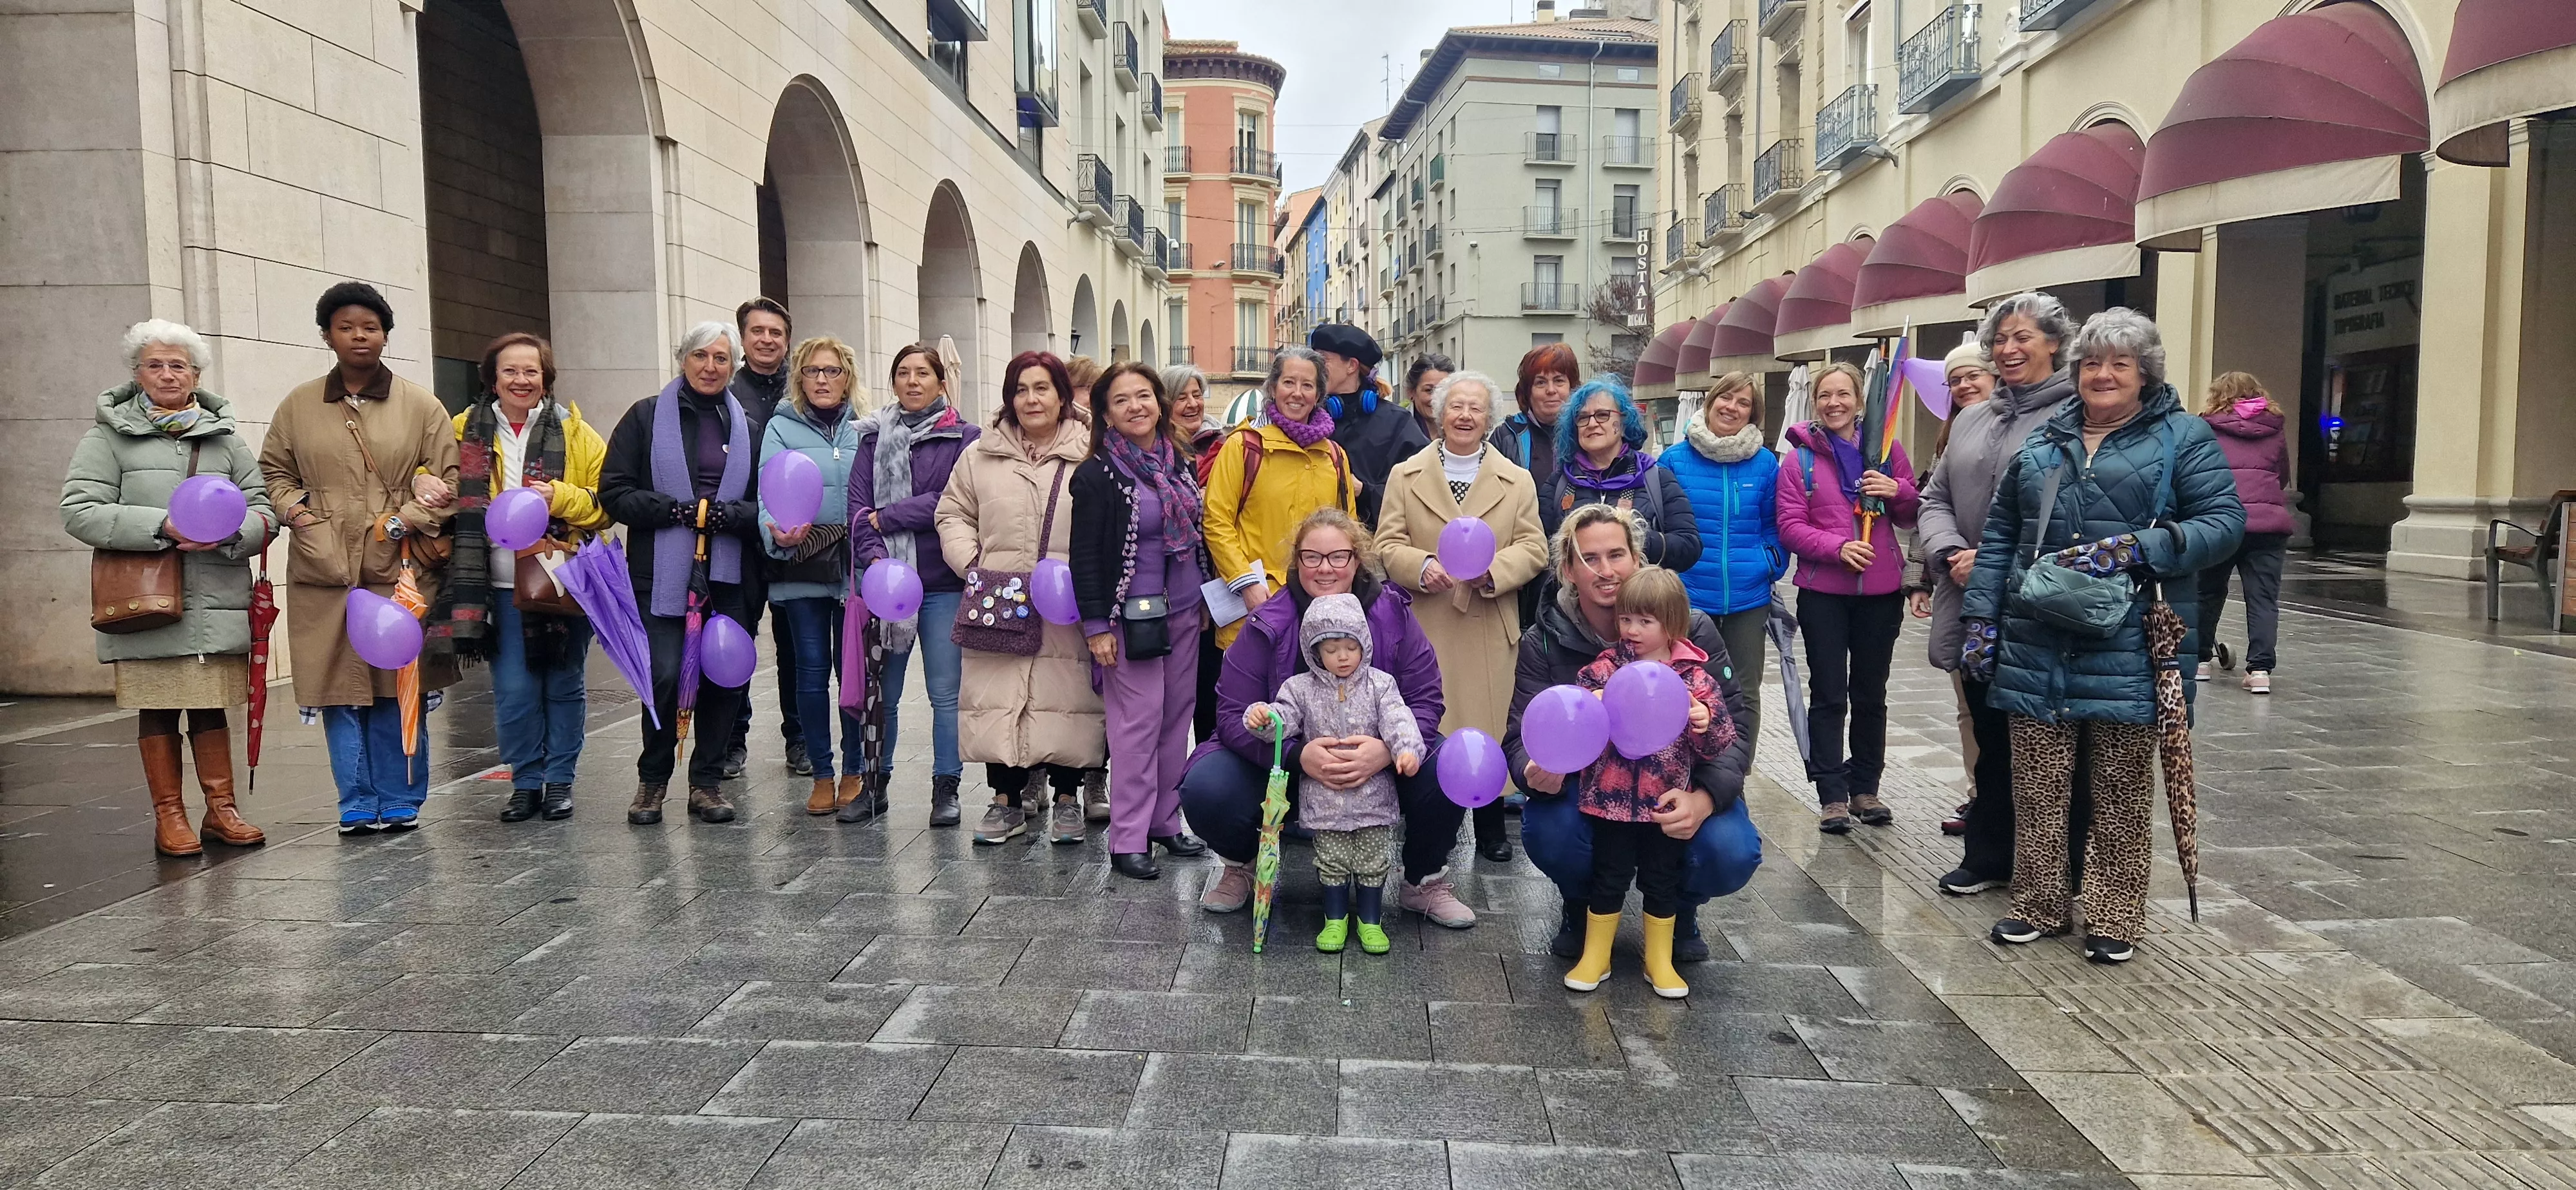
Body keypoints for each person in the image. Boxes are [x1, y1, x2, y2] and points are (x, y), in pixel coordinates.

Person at [1963, 308, 2243, 965]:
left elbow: (2225, 522)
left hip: (2131, 642)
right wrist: (1981, 620)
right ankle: (2038, 903)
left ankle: (2115, 913)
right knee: (2037, 787)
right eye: (2091, 363)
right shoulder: (2046, 441)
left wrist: (2143, 547)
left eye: (2120, 363)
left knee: (2119, 790)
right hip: (2036, 638)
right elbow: (2001, 537)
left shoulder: (2183, 437)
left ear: (2145, 373)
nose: (2103, 375)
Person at [1179, 509, 1476, 928]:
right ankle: (1240, 864)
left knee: (1450, 765)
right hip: (1284, 762)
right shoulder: (1267, 620)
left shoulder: (1394, 615)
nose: (1325, 569)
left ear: (1357, 560)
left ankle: (1424, 880)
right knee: (1208, 785)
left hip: (1380, 761)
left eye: (1338, 556)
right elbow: (1230, 713)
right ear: (1296, 561)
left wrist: (1390, 750)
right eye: (1312, 557)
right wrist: (1296, 754)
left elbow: (1426, 697)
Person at [1505, 504, 1763, 963]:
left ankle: (1680, 909)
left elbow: (1735, 729)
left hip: (1676, 782)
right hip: (1593, 788)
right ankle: (1581, 905)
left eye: (1616, 555)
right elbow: (1520, 735)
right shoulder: (1543, 640)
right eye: (1590, 559)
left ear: (1637, 558)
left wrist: (1705, 799)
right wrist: (1533, 770)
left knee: (1731, 850)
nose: (1606, 571)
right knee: (1554, 833)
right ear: (1568, 570)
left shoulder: (1693, 630)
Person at [62, 319, 276, 855]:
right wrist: (162, 526)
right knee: (157, 707)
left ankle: (221, 810)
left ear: (196, 375)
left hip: (216, 597)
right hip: (146, 598)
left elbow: (263, 511)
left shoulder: (226, 439)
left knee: (210, 706)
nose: (167, 374)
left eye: (178, 365)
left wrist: (231, 533)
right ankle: (170, 816)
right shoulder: (107, 437)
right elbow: (80, 510)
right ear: (137, 374)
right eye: (154, 365)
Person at [260, 282, 459, 835]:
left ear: (386, 336)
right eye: (346, 327)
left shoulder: (421, 405)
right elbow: (274, 471)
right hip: (323, 568)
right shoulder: (299, 405)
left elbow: (452, 478)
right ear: (327, 336)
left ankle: (400, 796)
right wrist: (300, 516)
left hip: (398, 567)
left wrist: (405, 520)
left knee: (396, 683)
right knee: (338, 687)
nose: (359, 336)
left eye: (370, 327)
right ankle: (355, 799)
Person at [1917, 293, 2083, 896]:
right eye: (2001, 340)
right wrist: (1948, 552)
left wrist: (1990, 561)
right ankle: (1988, 855)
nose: (2009, 349)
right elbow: (1935, 497)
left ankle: (2058, 869)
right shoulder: (1971, 418)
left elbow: (2077, 512)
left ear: (2055, 343)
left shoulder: (2076, 415)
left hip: (2038, 604)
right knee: (1988, 735)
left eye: (2023, 337)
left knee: (2049, 743)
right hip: (1971, 604)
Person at [1374, 370, 1548, 864]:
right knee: (1429, 723)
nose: (1465, 416)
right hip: (1424, 622)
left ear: (1489, 418)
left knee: (1486, 724)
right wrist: (1421, 566)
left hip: (1487, 620)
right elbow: (1386, 544)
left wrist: (1494, 572)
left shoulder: (1517, 480)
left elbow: (1535, 547)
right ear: (1438, 412)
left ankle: (1490, 826)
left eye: (1476, 408)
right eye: (1456, 406)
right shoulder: (1405, 475)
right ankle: (1427, 825)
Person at [598, 321, 766, 826]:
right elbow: (615, 492)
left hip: (729, 574)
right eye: (700, 356)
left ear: (733, 366)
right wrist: (675, 511)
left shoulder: (749, 428)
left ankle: (706, 783)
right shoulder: (645, 417)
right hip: (659, 573)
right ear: (683, 358)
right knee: (665, 675)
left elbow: (765, 504)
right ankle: (652, 780)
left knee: (723, 677)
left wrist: (725, 516)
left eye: (721, 358)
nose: (710, 367)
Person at [937, 352, 1107, 844]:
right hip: (998, 595)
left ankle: (1068, 798)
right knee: (998, 696)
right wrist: (973, 563)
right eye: (1021, 389)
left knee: (1068, 697)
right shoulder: (981, 454)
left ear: (1062, 395)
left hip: (1068, 600)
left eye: (1042, 388)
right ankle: (1005, 800)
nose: (1031, 399)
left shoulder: (1091, 450)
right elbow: (953, 512)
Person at [439, 333, 609, 823]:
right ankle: (526, 781)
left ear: (545, 378)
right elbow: (433, 478)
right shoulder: (460, 431)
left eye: (531, 371)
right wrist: (422, 481)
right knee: (514, 690)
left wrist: (560, 497)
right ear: (492, 378)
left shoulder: (578, 434)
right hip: (493, 585)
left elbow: (605, 506)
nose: (521, 380)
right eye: (510, 371)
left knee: (563, 685)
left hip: (561, 582)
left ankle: (560, 781)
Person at [1562, 567, 1734, 999]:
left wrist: (1705, 722)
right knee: (1609, 875)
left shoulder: (1695, 677)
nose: (1632, 630)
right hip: (1610, 800)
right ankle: (1596, 954)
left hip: (1665, 803)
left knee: (1662, 878)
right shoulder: (1607, 668)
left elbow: (1720, 743)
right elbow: (1575, 710)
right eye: (1626, 619)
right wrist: (1592, 703)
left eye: (1645, 621)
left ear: (1672, 624)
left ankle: (1659, 958)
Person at [1071, 361, 1213, 880]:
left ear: (1159, 402)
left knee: (1176, 720)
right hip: (1127, 620)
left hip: (1184, 611)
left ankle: (1164, 822)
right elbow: (1085, 558)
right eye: (1122, 400)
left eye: (1144, 396)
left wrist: (1203, 599)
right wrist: (1096, 628)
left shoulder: (1180, 462)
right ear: (1106, 415)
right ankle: (1128, 838)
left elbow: (1197, 538)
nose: (1136, 407)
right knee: (1136, 725)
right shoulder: (1096, 475)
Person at [1777, 361, 1920, 834]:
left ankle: (1866, 788)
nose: (1833, 403)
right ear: (1814, 402)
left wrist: (1897, 489)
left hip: (1880, 593)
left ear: (1859, 401)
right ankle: (1832, 795)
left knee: (1871, 694)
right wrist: (1837, 548)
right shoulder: (1798, 460)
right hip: (1824, 594)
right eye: (1825, 395)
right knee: (1829, 694)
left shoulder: (1886, 450)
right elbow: (1790, 526)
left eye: (1843, 394)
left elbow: (1909, 514)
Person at [1243, 592, 1424, 954]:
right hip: (1325, 799)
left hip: (1372, 798)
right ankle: (1335, 919)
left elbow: (1399, 719)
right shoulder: (1300, 688)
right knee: (1332, 861)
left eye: (1351, 647)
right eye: (1331, 649)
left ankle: (1370, 921)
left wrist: (1406, 749)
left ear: (1364, 645)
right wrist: (1264, 718)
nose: (1343, 657)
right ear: (1315, 651)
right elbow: (1283, 719)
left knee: (1373, 861)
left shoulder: (1380, 685)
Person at [850, 343, 976, 827]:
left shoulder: (965, 437)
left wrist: (889, 517)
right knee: (883, 693)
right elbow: (858, 511)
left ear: (941, 383)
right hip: (888, 587)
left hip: (944, 583)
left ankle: (946, 788)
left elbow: (951, 503)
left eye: (923, 373)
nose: (912, 381)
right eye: (903, 373)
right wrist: (878, 562)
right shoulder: (872, 438)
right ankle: (874, 784)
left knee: (946, 693)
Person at [761, 335, 871, 818]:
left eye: (832, 371)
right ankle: (822, 774)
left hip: (854, 570)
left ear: (848, 377)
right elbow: (767, 489)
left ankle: (854, 770)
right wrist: (776, 531)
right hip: (802, 562)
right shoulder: (780, 426)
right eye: (812, 371)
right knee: (809, 670)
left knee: (853, 672)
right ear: (799, 378)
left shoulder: (865, 428)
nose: (822, 380)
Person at [1200, 346, 1360, 648]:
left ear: (1319, 394)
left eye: (1307, 385)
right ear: (1273, 388)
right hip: (1256, 603)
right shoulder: (1244, 446)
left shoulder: (1335, 456)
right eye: (1289, 382)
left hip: (1321, 606)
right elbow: (1216, 520)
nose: (1297, 393)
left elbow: (1347, 530)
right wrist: (1245, 582)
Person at [1660, 370, 1786, 744]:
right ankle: (1690, 768)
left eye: (1743, 402)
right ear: (1710, 401)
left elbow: (1774, 523)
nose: (1732, 407)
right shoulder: (1674, 460)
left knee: (1744, 692)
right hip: (1689, 596)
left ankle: (1738, 771)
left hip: (1748, 598)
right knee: (1686, 687)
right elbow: (1661, 525)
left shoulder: (1764, 463)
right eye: (1726, 397)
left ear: (1752, 413)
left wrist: (1770, 562)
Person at [1905, 341, 1999, 836]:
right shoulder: (1950, 437)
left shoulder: (2015, 430)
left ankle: (2005, 801)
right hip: (1956, 580)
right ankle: (1979, 793)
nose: (1964, 386)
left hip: (2007, 582)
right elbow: (1931, 505)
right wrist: (1919, 580)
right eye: (1955, 380)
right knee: (1967, 703)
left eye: (1973, 376)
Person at [729, 298, 795, 780]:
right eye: (758, 331)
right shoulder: (727, 394)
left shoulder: (805, 389)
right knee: (736, 642)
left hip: (797, 539)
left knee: (796, 647)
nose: (767, 340)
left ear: (787, 341)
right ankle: (732, 740)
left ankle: (799, 739)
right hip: (741, 538)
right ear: (743, 338)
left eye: (776, 332)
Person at [2197, 372, 2292, 694]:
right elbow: (2282, 475)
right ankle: (2260, 670)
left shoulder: (2206, 427)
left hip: (2221, 521)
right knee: (2263, 597)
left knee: (2207, 592)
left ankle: (2200, 660)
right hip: (2268, 525)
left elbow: (2198, 474)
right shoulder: (2274, 427)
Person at [1553, 378, 1701, 571]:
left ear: (1623, 424)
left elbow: (1690, 546)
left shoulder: (1656, 478)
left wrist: (1631, 538)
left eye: (1602, 415)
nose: (1592, 423)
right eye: (1582, 418)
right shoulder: (1559, 484)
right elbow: (1546, 552)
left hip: (1642, 590)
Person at [1162, 360, 1225, 745]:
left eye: (1197, 395)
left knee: (1209, 687)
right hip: (1168, 586)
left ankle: (1204, 761)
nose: (1192, 404)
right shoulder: (1155, 451)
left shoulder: (1223, 447)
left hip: (1216, 585)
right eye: (1180, 397)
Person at [1311, 323, 1426, 530]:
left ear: (1351, 366)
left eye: (1323, 359)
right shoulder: (1309, 419)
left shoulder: (1398, 423)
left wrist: (1364, 491)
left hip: (1377, 542)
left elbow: (1419, 491)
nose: (1315, 368)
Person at [1402, 352, 1455, 442]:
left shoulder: (1464, 430)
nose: (1436, 399)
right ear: (1411, 392)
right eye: (1429, 390)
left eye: (1443, 390)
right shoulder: (1397, 430)